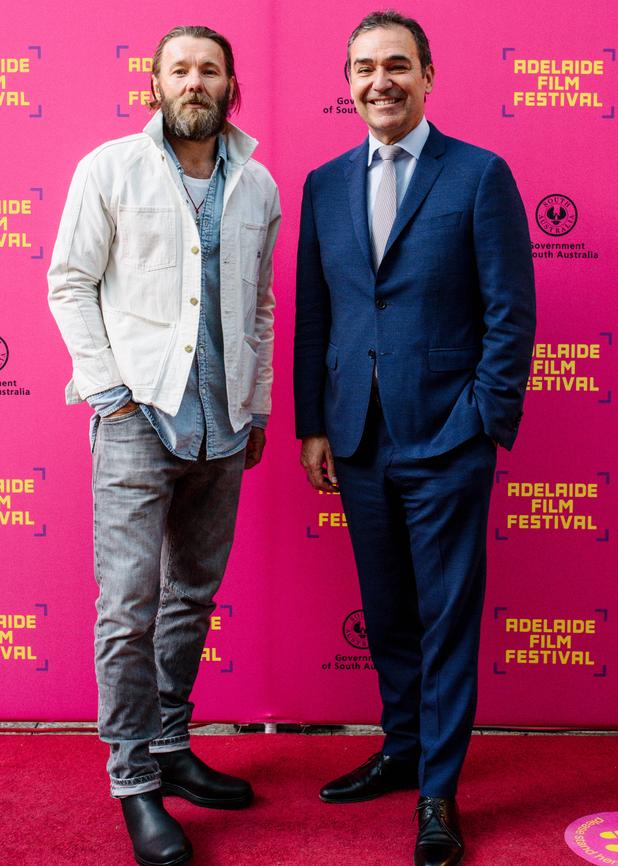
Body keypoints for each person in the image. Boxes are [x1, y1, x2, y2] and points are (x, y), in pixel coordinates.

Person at [294, 11, 535, 866]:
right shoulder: (323, 184)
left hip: (447, 437)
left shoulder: (478, 175)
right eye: (363, 68)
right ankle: (401, 748)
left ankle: (438, 789)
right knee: (389, 610)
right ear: (348, 82)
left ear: (428, 76)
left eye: (397, 65)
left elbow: (511, 315)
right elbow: (316, 313)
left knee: (445, 618)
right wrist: (312, 426)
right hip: (356, 439)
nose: (379, 82)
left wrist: (482, 423)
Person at [48, 25, 280, 866]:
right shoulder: (109, 169)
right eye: (179, 69)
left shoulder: (258, 185)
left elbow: (258, 306)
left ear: (230, 86)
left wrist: (253, 409)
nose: (194, 82)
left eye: (209, 69)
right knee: (128, 609)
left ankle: (175, 745)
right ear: (154, 81)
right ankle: (135, 781)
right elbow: (69, 281)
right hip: (138, 420)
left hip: (223, 430)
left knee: (190, 598)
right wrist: (109, 393)